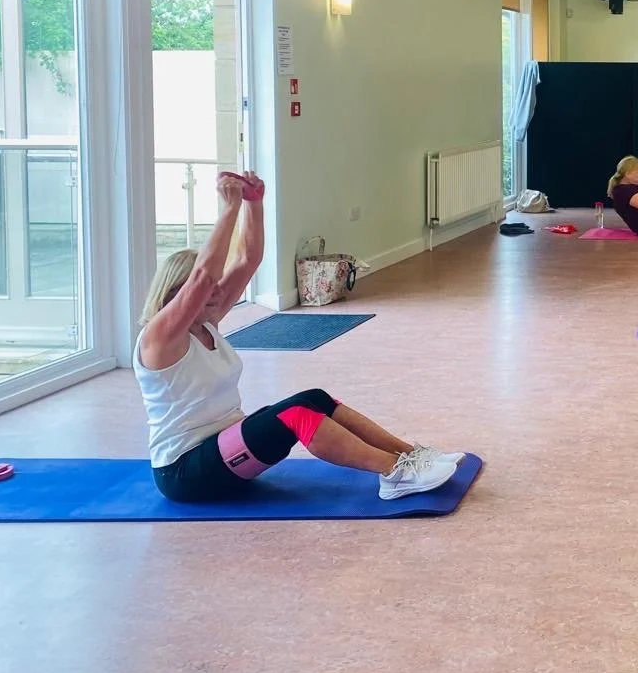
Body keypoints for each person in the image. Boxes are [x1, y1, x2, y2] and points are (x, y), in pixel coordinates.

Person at [135, 171, 463, 503]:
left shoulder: (207, 322)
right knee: (295, 417)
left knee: (315, 399)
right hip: (185, 471)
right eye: (207, 287)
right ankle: (395, 473)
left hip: (224, 445)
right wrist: (230, 207)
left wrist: (254, 203)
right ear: (178, 293)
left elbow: (248, 260)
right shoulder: (159, 340)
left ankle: (412, 455)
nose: (218, 290)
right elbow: (203, 277)